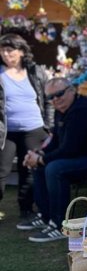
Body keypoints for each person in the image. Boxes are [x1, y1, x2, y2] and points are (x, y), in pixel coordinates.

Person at [24, 76, 87, 243]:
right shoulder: (62, 110)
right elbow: (56, 142)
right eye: (50, 97)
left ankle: (59, 225)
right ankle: (46, 217)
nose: (55, 99)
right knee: (41, 166)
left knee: (54, 168)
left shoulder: (81, 110)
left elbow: (70, 149)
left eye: (59, 94)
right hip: (82, 157)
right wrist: (38, 154)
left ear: (72, 91)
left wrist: (41, 159)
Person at [0, 33, 53, 229]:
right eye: (2, 50)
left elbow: (48, 100)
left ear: (21, 51)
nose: (5, 54)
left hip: (34, 128)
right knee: (1, 170)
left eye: (10, 50)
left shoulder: (35, 71)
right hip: (6, 131)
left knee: (29, 170)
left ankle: (27, 209)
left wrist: (49, 126)